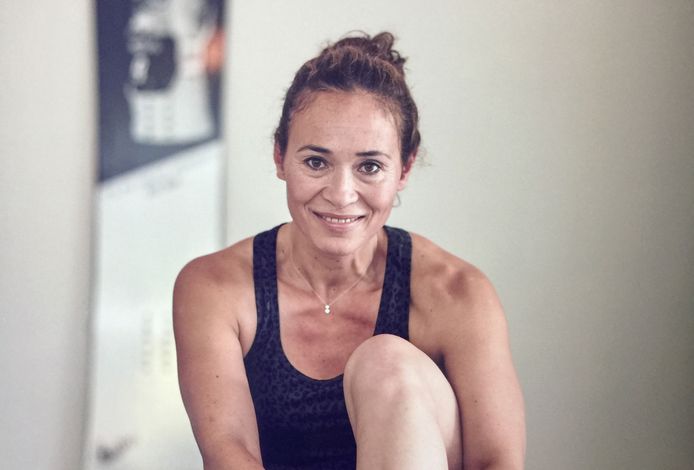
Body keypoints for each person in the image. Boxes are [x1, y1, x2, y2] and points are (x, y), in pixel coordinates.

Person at [173, 31, 525, 470]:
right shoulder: (213, 288)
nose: (341, 194)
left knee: (386, 362)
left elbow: (497, 462)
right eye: (316, 162)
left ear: (404, 168)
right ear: (280, 157)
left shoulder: (458, 293)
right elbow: (230, 455)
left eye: (370, 166)